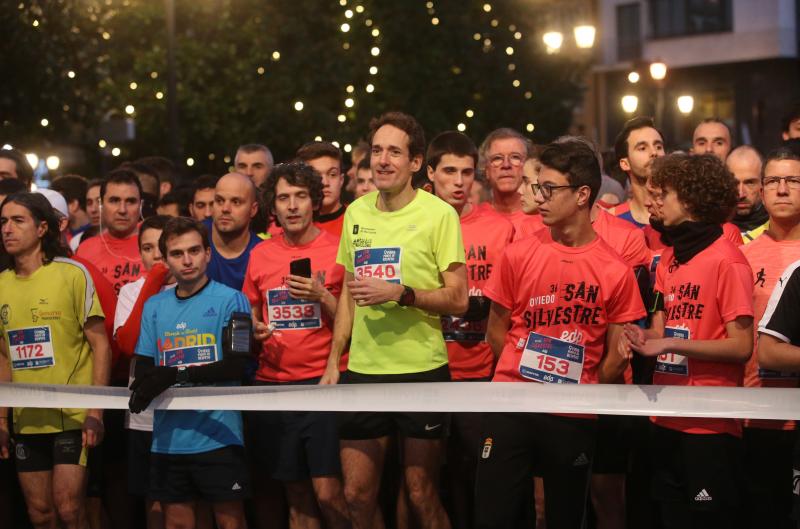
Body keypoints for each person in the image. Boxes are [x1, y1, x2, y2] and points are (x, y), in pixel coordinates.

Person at [474, 138, 645, 529]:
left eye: (550, 189)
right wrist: (523, 372)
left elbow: (617, 354)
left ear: (583, 195)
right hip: (511, 404)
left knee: (564, 516)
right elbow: (496, 330)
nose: (540, 197)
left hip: (572, 414)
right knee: (493, 514)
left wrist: (581, 387)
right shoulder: (518, 253)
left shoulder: (615, 270)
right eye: (538, 187)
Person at [323, 111, 468, 529]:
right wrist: (335, 361)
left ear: (416, 162)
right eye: (377, 151)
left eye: (395, 152)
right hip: (364, 373)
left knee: (421, 494)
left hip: (422, 372)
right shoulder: (357, 214)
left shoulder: (440, 215)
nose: (382, 160)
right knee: (356, 494)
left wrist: (402, 294)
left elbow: (458, 299)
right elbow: (349, 295)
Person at [623, 153, 753, 529]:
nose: (653, 201)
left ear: (692, 199)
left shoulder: (727, 261)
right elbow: (660, 333)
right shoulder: (669, 261)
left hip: (709, 426)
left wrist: (668, 345)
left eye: (663, 193)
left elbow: (741, 347)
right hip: (665, 417)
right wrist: (639, 338)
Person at [243, 162, 349, 529]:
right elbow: (253, 317)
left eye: (300, 196)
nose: (291, 206)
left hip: (325, 385)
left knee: (330, 494)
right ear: (272, 206)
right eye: (283, 198)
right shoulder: (261, 254)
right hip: (274, 386)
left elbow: (352, 323)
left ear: (314, 201)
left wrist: (322, 295)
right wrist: (255, 330)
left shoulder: (338, 250)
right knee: (296, 495)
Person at [128, 217, 251, 529]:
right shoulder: (154, 306)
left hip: (220, 436)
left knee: (230, 524)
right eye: (177, 253)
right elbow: (143, 367)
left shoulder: (233, 299)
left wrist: (174, 373)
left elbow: (236, 364)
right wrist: (166, 374)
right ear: (166, 259)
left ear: (208, 253)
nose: (187, 260)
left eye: (194, 251)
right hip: (169, 440)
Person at [0, 192, 111, 529]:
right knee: (40, 514)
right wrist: (3, 420)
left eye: (18, 221)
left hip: (71, 417)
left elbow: (100, 345)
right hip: (27, 421)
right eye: (3, 221)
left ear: (41, 227)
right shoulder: (1, 284)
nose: (8, 229)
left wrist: (95, 413)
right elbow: (4, 355)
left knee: (68, 509)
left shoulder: (72, 274)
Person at [427, 131, 514, 529]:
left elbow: (510, 302)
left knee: (481, 476)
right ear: (430, 173)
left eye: (466, 172)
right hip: (426, 369)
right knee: (423, 483)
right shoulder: (415, 224)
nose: (459, 181)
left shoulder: (498, 229)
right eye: (449, 171)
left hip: (481, 372)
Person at [740, 147, 800, 529]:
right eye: (773, 182)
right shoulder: (741, 256)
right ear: (761, 192)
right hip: (754, 413)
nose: (782, 189)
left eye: (792, 181)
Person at [114, 215, 174, 529]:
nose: (157, 254)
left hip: (190, 410)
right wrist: (153, 283)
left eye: (163, 245)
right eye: (148, 247)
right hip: (145, 415)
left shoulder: (198, 287)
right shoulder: (130, 291)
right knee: (153, 498)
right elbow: (130, 344)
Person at [76, 169, 145, 294]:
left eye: (130, 201)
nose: (122, 210)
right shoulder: (85, 250)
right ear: (101, 204)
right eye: (114, 200)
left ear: (141, 205)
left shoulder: (157, 244)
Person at [608, 116, 666, 227]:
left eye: (658, 146)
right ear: (625, 163)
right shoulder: (612, 221)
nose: (654, 152)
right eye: (642, 148)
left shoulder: (684, 215)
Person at [205, 172, 260, 290]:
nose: (225, 209)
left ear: (253, 209)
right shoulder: (192, 241)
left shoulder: (262, 254)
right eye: (219, 200)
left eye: (236, 202)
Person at [478, 128, 532, 232]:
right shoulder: (472, 222)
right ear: (486, 170)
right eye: (497, 158)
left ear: (528, 166)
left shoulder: (547, 221)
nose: (506, 165)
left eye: (515, 157)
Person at [296, 142, 347, 238]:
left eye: (332, 174)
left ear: (341, 180)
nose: (325, 183)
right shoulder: (293, 224)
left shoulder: (358, 220)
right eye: (316, 175)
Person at [726, 146, 769, 242]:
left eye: (750, 183)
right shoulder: (710, 230)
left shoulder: (781, 229)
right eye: (734, 183)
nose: (741, 193)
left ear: (764, 182)